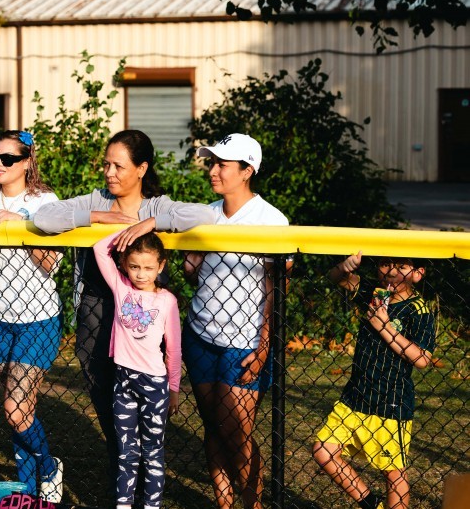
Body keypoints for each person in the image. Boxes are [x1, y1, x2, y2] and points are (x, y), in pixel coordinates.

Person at [32, 130, 214, 481]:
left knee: (144, 399)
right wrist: (99, 218)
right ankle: (123, 464)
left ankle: (149, 473)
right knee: (105, 393)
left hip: (140, 315)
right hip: (96, 309)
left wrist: (151, 222)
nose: (109, 172)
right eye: (106, 164)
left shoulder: (155, 206)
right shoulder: (95, 201)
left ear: (142, 168)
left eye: (119, 165)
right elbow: (44, 217)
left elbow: (205, 215)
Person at [181, 133, 288, 508]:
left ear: (247, 171)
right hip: (199, 336)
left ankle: (252, 504)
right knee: (213, 427)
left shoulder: (271, 220)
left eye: (222, 164)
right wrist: (189, 261)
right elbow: (194, 274)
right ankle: (224, 503)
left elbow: (276, 293)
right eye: (211, 163)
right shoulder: (205, 213)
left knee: (237, 433)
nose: (212, 170)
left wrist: (263, 346)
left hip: (242, 342)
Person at [0, 130, 64, 501]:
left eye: (8, 158)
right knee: (18, 407)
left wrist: (16, 222)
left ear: (26, 162)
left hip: (37, 317)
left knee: (15, 410)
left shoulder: (45, 201)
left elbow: (50, 262)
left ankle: (49, 467)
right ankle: (29, 488)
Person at [313, 253, 435, 509]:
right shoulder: (377, 294)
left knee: (393, 473)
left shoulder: (419, 310)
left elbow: (422, 359)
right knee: (323, 451)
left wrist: (384, 327)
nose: (391, 271)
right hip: (354, 396)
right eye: (385, 264)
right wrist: (344, 267)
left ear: (418, 273)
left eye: (401, 266)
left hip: (390, 402)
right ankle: (371, 504)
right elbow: (336, 278)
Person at [93, 229, 181, 509]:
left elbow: (174, 349)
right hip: (123, 381)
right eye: (134, 266)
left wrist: (174, 388)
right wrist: (132, 229)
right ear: (123, 264)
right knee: (126, 452)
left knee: (153, 453)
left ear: (161, 266)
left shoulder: (167, 301)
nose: (141, 274)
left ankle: (152, 505)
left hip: (154, 384)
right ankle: (124, 504)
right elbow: (99, 247)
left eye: (148, 268)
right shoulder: (121, 288)